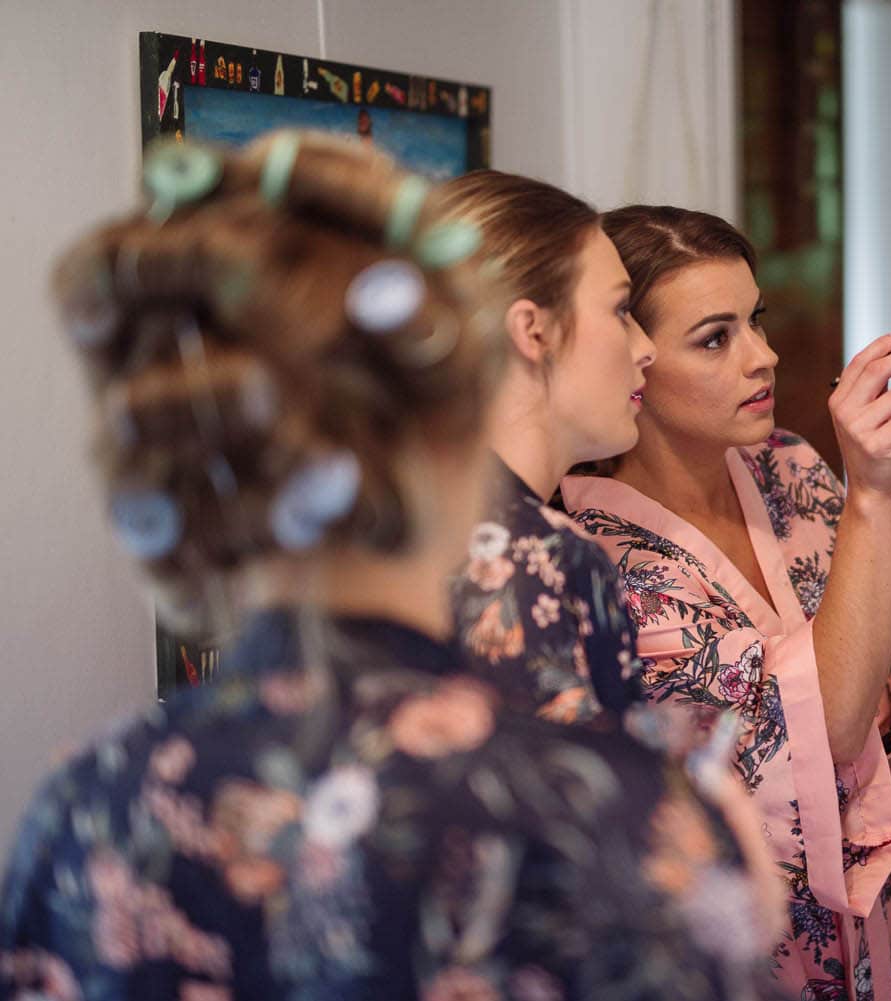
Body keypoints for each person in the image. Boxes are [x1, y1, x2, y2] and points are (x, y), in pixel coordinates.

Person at [0, 132, 780, 1000]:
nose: (637, 345)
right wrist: (722, 891)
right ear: (455, 400)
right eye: (622, 311)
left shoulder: (86, 802)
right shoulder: (594, 810)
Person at [561, 204, 891, 1001]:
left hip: (880, 932)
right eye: (717, 337)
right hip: (741, 958)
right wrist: (871, 498)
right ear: (631, 358)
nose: (765, 356)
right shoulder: (596, 558)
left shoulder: (787, 466)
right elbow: (823, 723)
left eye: (757, 321)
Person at [436, 171, 654, 729]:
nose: (645, 348)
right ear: (533, 331)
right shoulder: (545, 555)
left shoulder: (416, 521)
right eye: (621, 310)